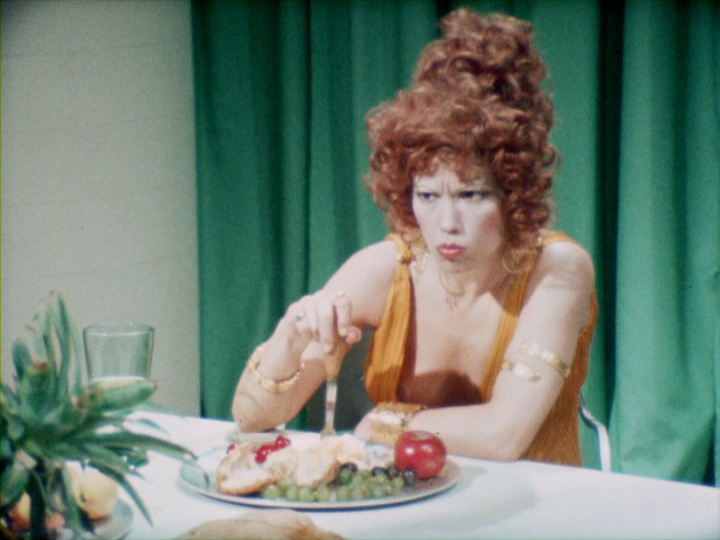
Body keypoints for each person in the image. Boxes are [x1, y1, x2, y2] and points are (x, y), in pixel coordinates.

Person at [232, 8, 597, 466]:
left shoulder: (558, 270)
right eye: (427, 195)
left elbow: (504, 436)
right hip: (407, 502)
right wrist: (289, 336)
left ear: (513, 192)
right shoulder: (384, 270)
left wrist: (383, 423)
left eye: (470, 194)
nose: (447, 222)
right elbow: (251, 418)